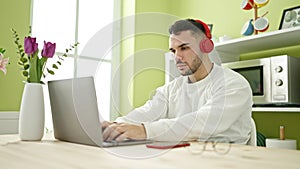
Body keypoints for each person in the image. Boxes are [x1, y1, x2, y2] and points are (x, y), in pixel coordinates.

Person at [102, 18, 253, 144]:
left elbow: (201, 123)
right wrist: (115, 126)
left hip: (227, 160)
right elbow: (148, 112)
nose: (177, 57)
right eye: (173, 51)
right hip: (185, 157)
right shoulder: (172, 89)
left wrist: (144, 130)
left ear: (206, 46)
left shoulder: (234, 84)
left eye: (184, 48)